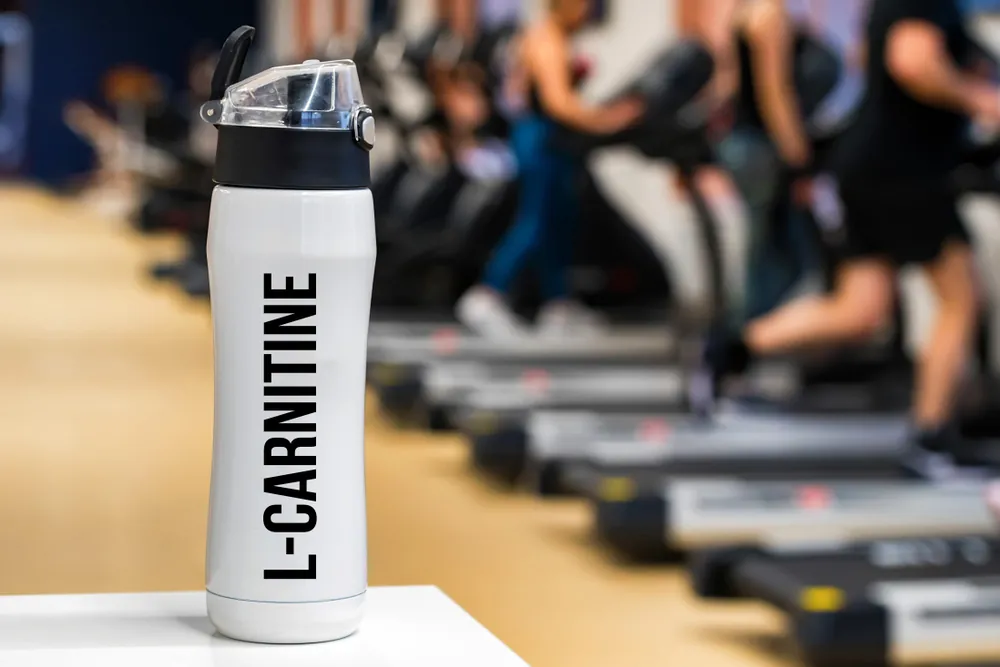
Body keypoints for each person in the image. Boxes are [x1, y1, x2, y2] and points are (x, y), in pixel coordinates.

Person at [699, 0, 1000, 478]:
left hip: (862, 168)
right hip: (904, 173)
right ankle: (932, 435)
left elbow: (868, 58)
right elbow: (911, 61)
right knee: (961, 301)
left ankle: (726, 352)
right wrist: (978, 97)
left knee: (860, 309)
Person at [455, 0, 644, 338]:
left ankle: (558, 305)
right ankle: (486, 295)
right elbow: (559, 102)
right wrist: (609, 119)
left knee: (559, 222)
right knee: (536, 221)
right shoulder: (546, 39)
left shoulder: (555, 37)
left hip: (554, 140)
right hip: (541, 137)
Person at [714, 0, 870, 328]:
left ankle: (746, 342)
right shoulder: (769, 16)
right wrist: (799, 162)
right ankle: (739, 346)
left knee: (778, 254)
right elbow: (776, 94)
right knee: (777, 258)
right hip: (765, 150)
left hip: (755, 145)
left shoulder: (757, 13)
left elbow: (730, 83)